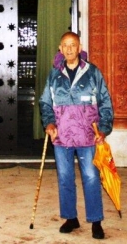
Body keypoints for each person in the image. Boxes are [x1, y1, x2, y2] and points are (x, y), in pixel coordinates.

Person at [39, 32, 113, 240]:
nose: (69, 49)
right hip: (61, 136)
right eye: (65, 45)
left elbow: (106, 103)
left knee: (90, 177)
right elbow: (45, 103)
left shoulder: (93, 73)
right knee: (64, 178)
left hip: (87, 136)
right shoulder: (54, 75)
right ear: (60, 49)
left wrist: (104, 129)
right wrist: (49, 123)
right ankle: (71, 218)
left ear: (80, 48)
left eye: (73, 45)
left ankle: (96, 221)